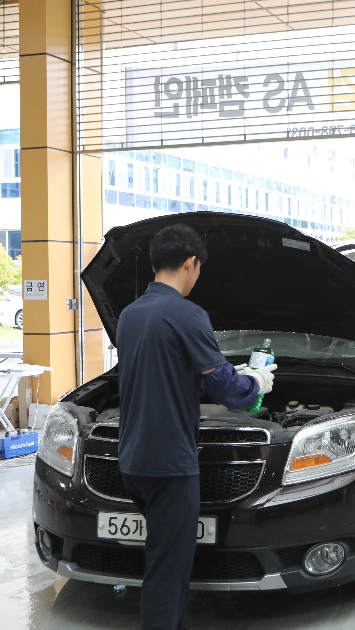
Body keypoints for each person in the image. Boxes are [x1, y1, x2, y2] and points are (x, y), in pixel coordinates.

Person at [116, 223, 277, 630]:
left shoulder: (131, 315)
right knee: (168, 571)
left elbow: (166, 372)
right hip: (170, 464)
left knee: (158, 556)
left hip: (132, 459)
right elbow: (225, 389)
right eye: (199, 269)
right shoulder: (187, 314)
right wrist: (253, 383)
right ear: (190, 264)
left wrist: (223, 372)